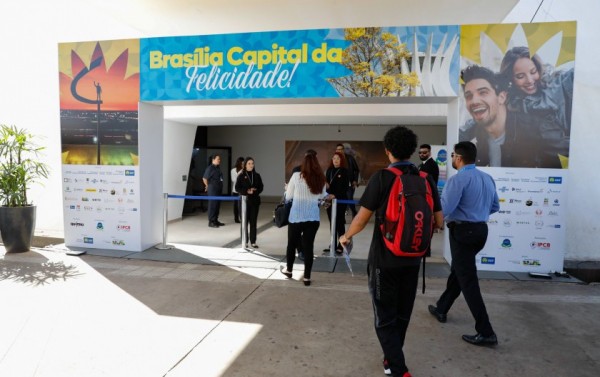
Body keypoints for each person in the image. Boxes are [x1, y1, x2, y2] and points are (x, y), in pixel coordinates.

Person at [339, 126, 443, 377]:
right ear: (413, 152)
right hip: (414, 258)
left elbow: (362, 220)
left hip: (384, 260)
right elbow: (439, 222)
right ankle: (391, 358)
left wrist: (346, 236)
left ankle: (398, 368)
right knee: (402, 314)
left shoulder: (382, 178)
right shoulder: (426, 179)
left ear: (388, 151)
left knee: (384, 316)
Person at [428, 141, 500, 347]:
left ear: (458, 158)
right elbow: (494, 206)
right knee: (460, 271)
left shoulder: (458, 180)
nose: (452, 159)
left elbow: (445, 209)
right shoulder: (487, 178)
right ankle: (442, 308)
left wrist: (435, 224)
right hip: (480, 231)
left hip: (463, 232)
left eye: (452, 155)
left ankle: (486, 331)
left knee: (467, 280)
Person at [499, 46, 572, 167]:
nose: (530, 80)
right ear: (510, 79)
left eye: (533, 72)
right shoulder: (512, 104)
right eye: (520, 76)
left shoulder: (558, 83)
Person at [458, 65, 542, 168]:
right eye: (468, 96)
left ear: (502, 97)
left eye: (483, 92)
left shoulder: (536, 132)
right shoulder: (465, 138)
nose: (474, 101)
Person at [280, 153, 333, 286]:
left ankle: (289, 270)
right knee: (309, 247)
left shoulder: (296, 177)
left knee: (291, 245)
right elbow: (321, 197)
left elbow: (288, 197)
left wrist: (287, 189)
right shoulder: (320, 179)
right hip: (313, 218)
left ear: (304, 164)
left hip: (296, 217)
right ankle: (307, 277)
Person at [290, 148, 317, 261]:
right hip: (298, 207)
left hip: (310, 208)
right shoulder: (296, 171)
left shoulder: (317, 172)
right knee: (298, 233)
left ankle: (305, 252)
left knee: (306, 234)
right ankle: (301, 251)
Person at [235, 157, 264, 248]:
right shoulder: (241, 175)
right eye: (249, 163)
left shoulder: (257, 175)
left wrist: (255, 190)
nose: (251, 165)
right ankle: (245, 241)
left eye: (252, 163)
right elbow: (237, 188)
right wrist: (247, 191)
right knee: (244, 222)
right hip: (244, 201)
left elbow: (261, 187)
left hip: (254, 201)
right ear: (245, 165)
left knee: (253, 222)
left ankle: (253, 241)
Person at [325, 151, 350, 254]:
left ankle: (341, 244)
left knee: (339, 223)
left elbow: (344, 188)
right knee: (332, 223)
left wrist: (335, 195)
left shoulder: (344, 171)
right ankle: (333, 243)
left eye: (338, 159)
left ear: (341, 160)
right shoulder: (329, 171)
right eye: (334, 158)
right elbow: (326, 185)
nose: (335, 160)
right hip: (330, 201)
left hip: (340, 200)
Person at [336, 143, 359, 217]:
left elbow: (356, 170)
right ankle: (343, 217)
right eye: (338, 149)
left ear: (343, 150)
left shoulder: (350, 158)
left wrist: (355, 180)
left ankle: (354, 212)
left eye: (341, 149)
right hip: (339, 184)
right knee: (341, 200)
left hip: (349, 183)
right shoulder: (335, 159)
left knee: (349, 199)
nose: (339, 151)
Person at [203, 154, 225, 228]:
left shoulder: (218, 168)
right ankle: (211, 221)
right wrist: (207, 186)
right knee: (212, 205)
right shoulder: (210, 168)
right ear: (213, 160)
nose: (219, 160)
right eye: (218, 159)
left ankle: (215, 220)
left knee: (217, 205)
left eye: (219, 159)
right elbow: (204, 178)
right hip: (213, 190)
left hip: (218, 189)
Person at [231, 156, 244, 223]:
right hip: (235, 190)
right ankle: (236, 218)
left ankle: (242, 218)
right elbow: (233, 180)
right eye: (242, 163)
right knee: (235, 206)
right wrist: (239, 174)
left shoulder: (244, 170)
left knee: (241, 205)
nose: (243, 165)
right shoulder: (233, 170)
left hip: (242, 190)